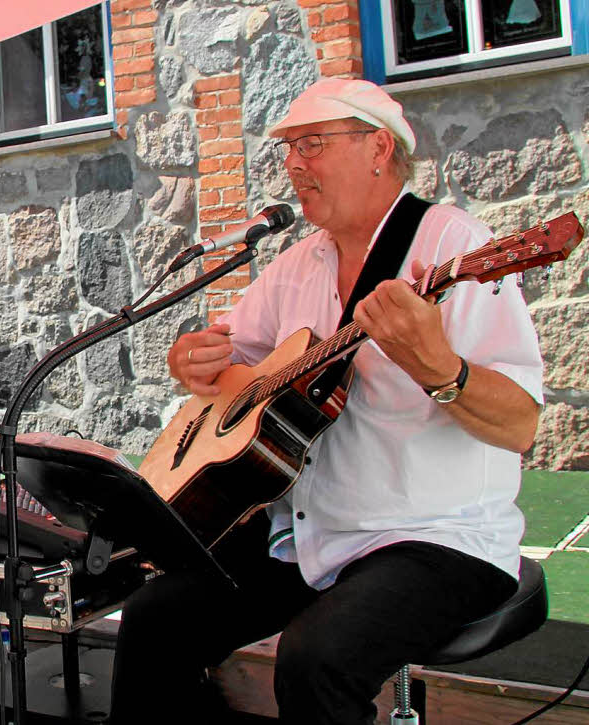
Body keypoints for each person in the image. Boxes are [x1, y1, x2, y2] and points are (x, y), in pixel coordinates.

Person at [110, 78, 543, 724]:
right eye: (288, 148)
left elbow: (521, 423)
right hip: (312, 537)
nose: (292, 164)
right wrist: (191, 361)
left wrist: (443, 370)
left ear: (377, 149)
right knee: (153, 618)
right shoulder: (297, 264)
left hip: (435, 537)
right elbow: (233, 362)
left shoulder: (453, 247)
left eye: (312, 144)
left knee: (315, 659)